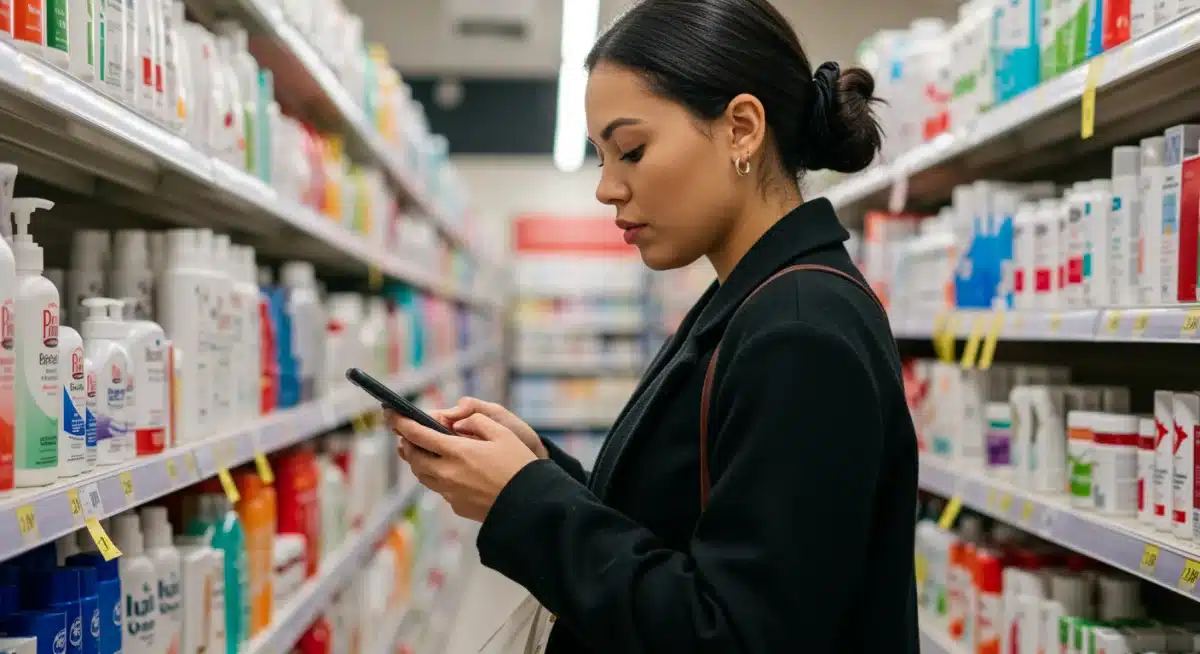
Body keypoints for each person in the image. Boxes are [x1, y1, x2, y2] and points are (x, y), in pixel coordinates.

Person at [386, 0, 919, 651]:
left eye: (631, 151)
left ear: (742, 129)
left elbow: (736, 635)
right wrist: (539, 474)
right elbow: (683, 534)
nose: (606, 188)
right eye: (601, 157)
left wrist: (522, 504)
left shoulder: (799, 332)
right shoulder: (752, 297)